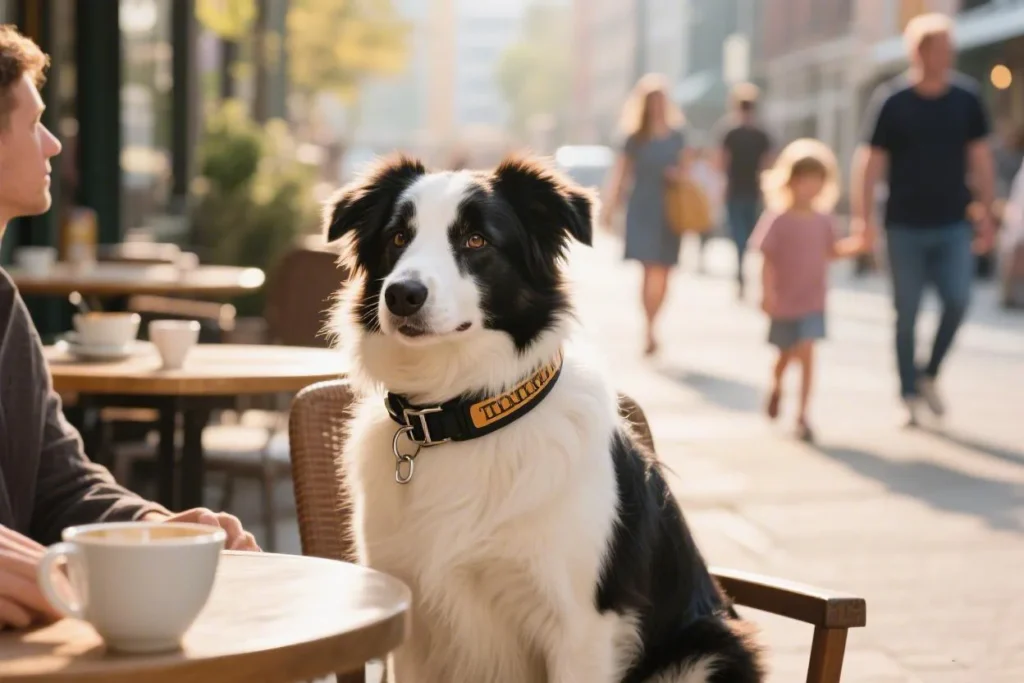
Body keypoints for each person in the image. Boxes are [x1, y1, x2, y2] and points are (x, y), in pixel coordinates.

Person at [0, 25, 258, 631]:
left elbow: (59, 481)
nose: (54, 145)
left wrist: (151, 527)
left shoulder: (2, 308)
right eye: (32, 122)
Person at [851, 13, 996, 426]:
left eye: (951, 49)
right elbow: (870, 163)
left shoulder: (967, 99)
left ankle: (929, 373)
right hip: (903, 225)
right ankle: (909, 393)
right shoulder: (892, 101)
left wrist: (987, 214)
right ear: (920, 53)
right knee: (907, 312)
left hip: (953, 222)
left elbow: (981, 160)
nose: (947, 56)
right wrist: (863, 220)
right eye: (940, 49)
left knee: (958, 300)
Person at [753, 139, 866, 442]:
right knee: (785, 355)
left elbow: (832, 251)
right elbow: (765, 257)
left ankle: (803, 415)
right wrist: (766, 293)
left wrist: (858, 244)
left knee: (807, 353)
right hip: (784, 301)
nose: (810, 187)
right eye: (804, 180)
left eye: (817, 180)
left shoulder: (824, 219)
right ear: (790, 181)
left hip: (813, 301)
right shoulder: (778, 218)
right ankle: (776, 385)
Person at [603, 73, 688, 356]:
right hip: (642, 208)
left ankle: (655, 320)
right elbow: (621, 174)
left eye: (660, 101)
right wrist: (609, 208)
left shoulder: (678, 137)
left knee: (664, 271)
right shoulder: (633, 137)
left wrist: (679, 175)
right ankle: (649, 328)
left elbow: (688, 172)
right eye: (651, 101)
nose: (656, 107)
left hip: (671, 209)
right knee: (648, 269)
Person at [716, 82, 773, 300]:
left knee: (741, 235)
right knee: (748, 234)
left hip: (739, 190)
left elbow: (721, 162)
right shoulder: (760, 134)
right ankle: (742, 271)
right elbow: (767, 165)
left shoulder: (731, 132)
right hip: (751, 191)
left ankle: (741, 271)